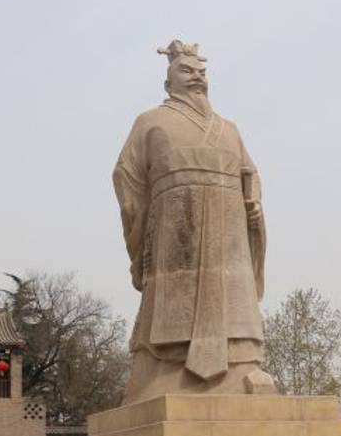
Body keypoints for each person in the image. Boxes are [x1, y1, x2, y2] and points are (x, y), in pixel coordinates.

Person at [113, 39, 275, 404]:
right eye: (186, 71)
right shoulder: (150, 123)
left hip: (230, 230)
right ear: (168, 81)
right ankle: (166, 372)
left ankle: (243, 365)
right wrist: (142, 233)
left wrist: (253, 203)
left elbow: (250, 173)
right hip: (175, 230)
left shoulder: (229, 129)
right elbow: (127, 178)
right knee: (173, 304)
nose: (197, 77)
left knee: (235, 295)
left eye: (202, 72)